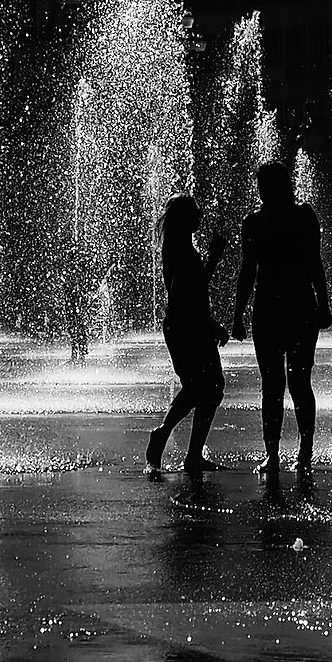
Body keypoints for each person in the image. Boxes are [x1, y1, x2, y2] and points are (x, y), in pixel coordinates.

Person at [231, 159, 332, 489]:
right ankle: (284, 452)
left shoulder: (285, 219)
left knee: (286, 383)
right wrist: (237, 314)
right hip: (286, 309)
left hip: (283, 309)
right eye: (261, 186)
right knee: (284, 383)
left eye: (267, 185)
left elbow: (312, 262)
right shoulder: (271, 220)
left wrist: (324, 304)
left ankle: (294, 451)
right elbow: (249, 270)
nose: (263, 191)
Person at [145, 196, 228, 480]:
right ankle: (178, 444)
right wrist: (211, 325)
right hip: (187, 327)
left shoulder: (180, 249)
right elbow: (181, 298)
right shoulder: (182, 252)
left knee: (202, 387)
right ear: (184, 219)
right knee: (207, 386)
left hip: (184, 326)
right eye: (195, 212)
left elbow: (196, 287)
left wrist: (213, 259)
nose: (200, 216)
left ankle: (185, 449)